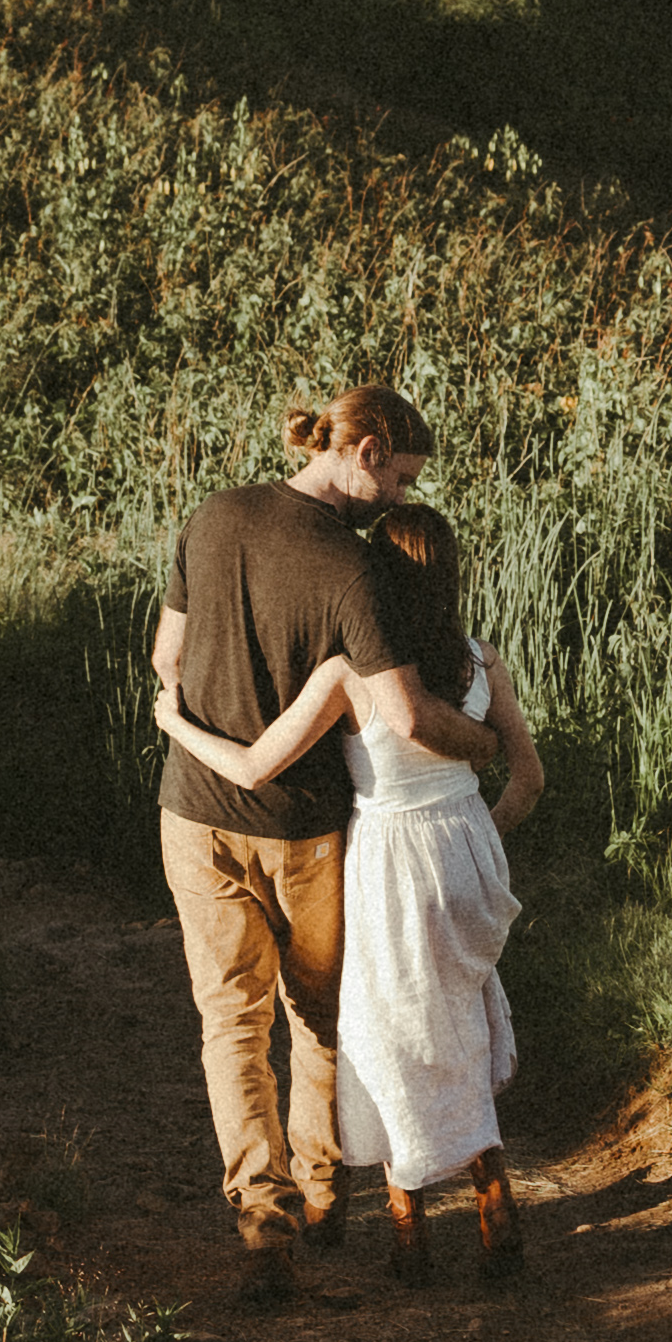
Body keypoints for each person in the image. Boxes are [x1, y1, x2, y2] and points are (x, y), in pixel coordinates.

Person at [162, 497, 538, 1280]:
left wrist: (177, 725)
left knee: (386, 1031)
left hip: (388, 865)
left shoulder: (347, 676)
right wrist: (478, 839)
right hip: (465, 857)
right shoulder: (482, 661)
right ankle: (494, 1201)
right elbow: (528, 779)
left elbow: (254, 766)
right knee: (459, 1024)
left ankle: (407, 1229)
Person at [149, 383, 432, 1297]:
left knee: (231, 1022)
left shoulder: (213, 515)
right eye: (399, 479)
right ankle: (322, 1193)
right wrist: (489, 744)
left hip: (194, 814)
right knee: (319, 1015)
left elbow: (165, 659)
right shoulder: (353, 570)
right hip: (304, 829)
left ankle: (261, 1220)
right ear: (366, 452)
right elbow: (400, 712)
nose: (399, 497)